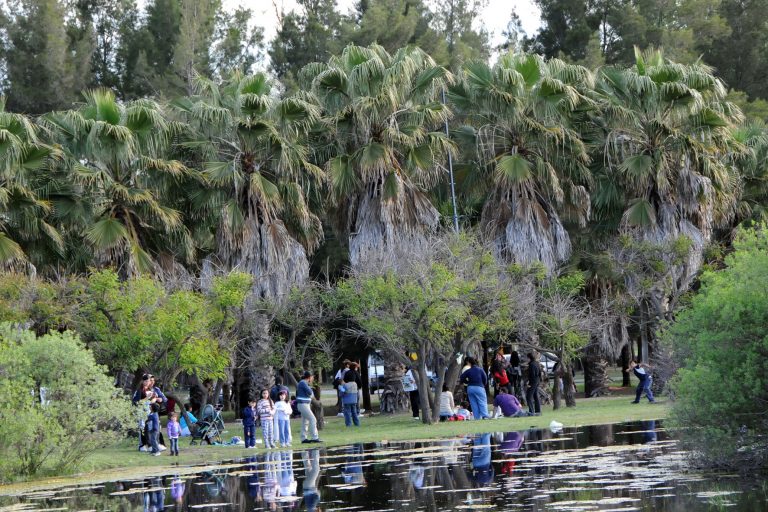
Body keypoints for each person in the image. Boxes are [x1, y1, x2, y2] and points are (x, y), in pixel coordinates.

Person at [297, 371, 321, 443]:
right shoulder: (303, 383)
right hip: (303, 404)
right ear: (309, 377)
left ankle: (303, 438)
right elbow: (310, 393)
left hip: (305, 404)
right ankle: (314, 437)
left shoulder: (304, 383)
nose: (313, 378)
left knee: (305, 421)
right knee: (313, 419)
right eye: (312, 377)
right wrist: (310, 391)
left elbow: (310, 394)